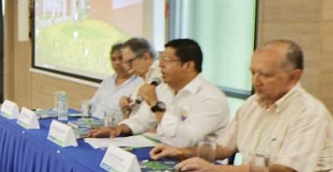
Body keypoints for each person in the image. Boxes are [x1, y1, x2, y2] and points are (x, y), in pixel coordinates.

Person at [151, 40, 333, 172]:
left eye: (266, 75)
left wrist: (214, 170)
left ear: (294, 76)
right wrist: (181, 152)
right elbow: (224, 148)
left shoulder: (310, 112)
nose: (255, 81)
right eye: (253, 73)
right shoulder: (252, 103)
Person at [89, 38, 229, 147]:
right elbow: (143, 120)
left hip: (201, 168)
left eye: (166, 60)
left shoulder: (210, 98)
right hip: (167, 153)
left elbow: (184, 140)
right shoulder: (165, 88)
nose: (160, 65)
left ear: (188, 65)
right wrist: (118, 129)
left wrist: (155, 104)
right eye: (161, 59)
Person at [85, 42, 143, 120]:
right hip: (92, 122)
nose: (117, 62)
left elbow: (134, 116)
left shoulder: (139, 84)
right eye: (113, 59)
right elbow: (92, 103)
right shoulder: (107, 81)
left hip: (114, 127)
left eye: (120, 58)